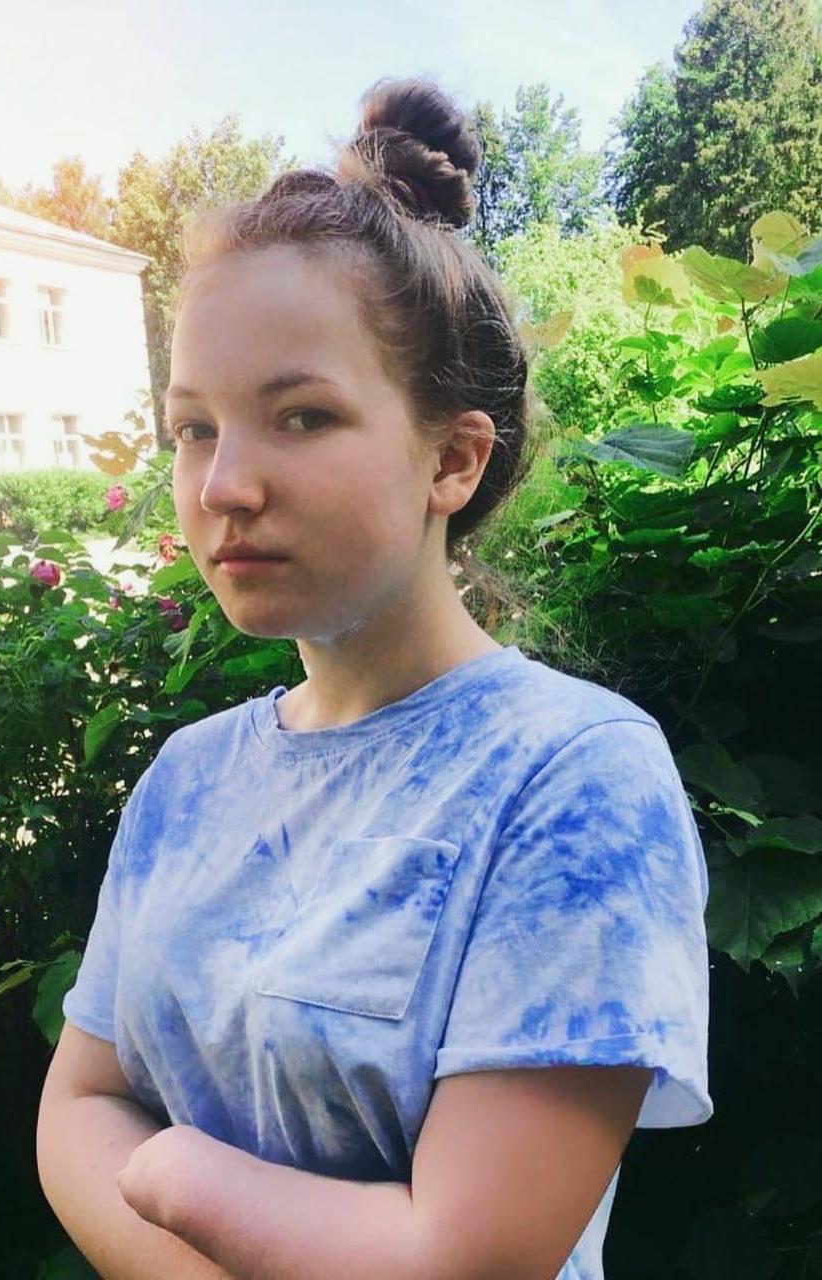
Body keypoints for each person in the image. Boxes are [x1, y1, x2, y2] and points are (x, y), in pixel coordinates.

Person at [39, 76, 712, 1280]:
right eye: (194, 427)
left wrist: (176, 1173)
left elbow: (464, 1255)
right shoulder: (190, 776)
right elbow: (79, 1100)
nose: (222, 485)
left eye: (300, 416)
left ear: (452, 459)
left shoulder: (571, 777)